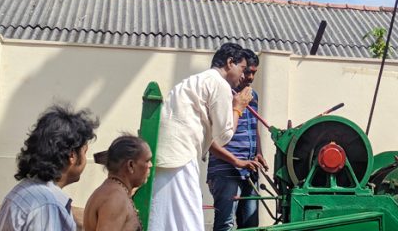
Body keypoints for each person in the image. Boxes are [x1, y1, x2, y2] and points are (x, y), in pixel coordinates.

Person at [148, 42, 248, 230]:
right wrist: (238, 108)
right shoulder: (219, 83)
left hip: (166, 155)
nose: (243, 75)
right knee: (188, 218)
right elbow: (224, 136)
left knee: (163, 216)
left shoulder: (195, 80)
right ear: (229, 63)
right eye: (242, 68)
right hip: (181, 156)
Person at [0, 104, 100, 231]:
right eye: (84, 152)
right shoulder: (47, 205)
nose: (84, 159)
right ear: (72, 156)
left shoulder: (22, 190)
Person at [207, 49, 269, 230]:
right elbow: (215, 137)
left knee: (250, 225)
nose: (249, 77)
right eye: (247, 71)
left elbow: (253, 126)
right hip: (226, 169)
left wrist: (258, 153)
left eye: (254, 73)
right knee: (225, 224)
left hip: (250, 169)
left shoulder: (253, 96)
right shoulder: (224, 93)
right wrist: (237, 161)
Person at [84, 135, 153, 231]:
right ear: (131, 165)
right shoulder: (115, 198)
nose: (150, 165)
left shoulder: (115, 192)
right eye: (147, 161)